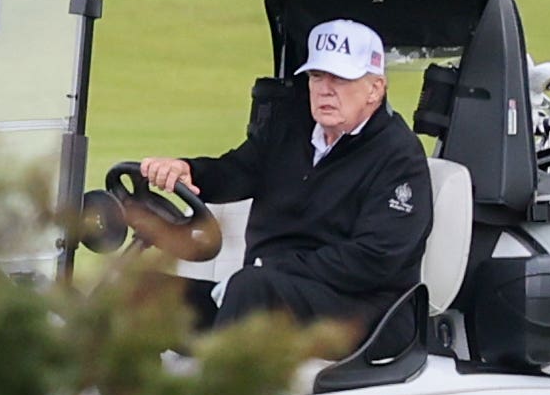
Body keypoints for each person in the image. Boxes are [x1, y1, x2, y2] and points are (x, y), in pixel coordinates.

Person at [140, 18, 432, 345]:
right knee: (144, 291)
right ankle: (122, 393)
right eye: (317, 76)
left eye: (340, 78)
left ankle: (221, 393)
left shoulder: (399, 155)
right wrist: (188, 171)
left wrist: (275, 269)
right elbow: (236, 171)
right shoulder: (290, 127)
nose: (325, 89)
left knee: (251, 290)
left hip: (366, 312)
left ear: (375, 89)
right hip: (273, 288)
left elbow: (374, 259)